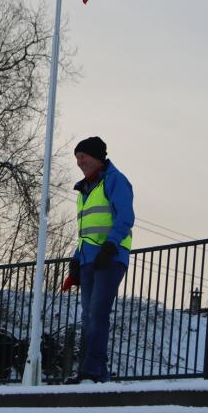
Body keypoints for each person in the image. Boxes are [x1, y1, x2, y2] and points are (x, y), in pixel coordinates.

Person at [61, 136, 134, 384]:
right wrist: (75, 261)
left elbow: (125, 217)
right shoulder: (84, 190)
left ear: (97, 157)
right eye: (77, 158)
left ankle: (91, 371)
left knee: (98, 313)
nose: (79, 162)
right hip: (90, 260)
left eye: (83, 156)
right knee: (88, 316)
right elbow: (86, 231)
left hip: (110, 259)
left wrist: (111, 247)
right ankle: (96, 373)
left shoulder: (114, 180)